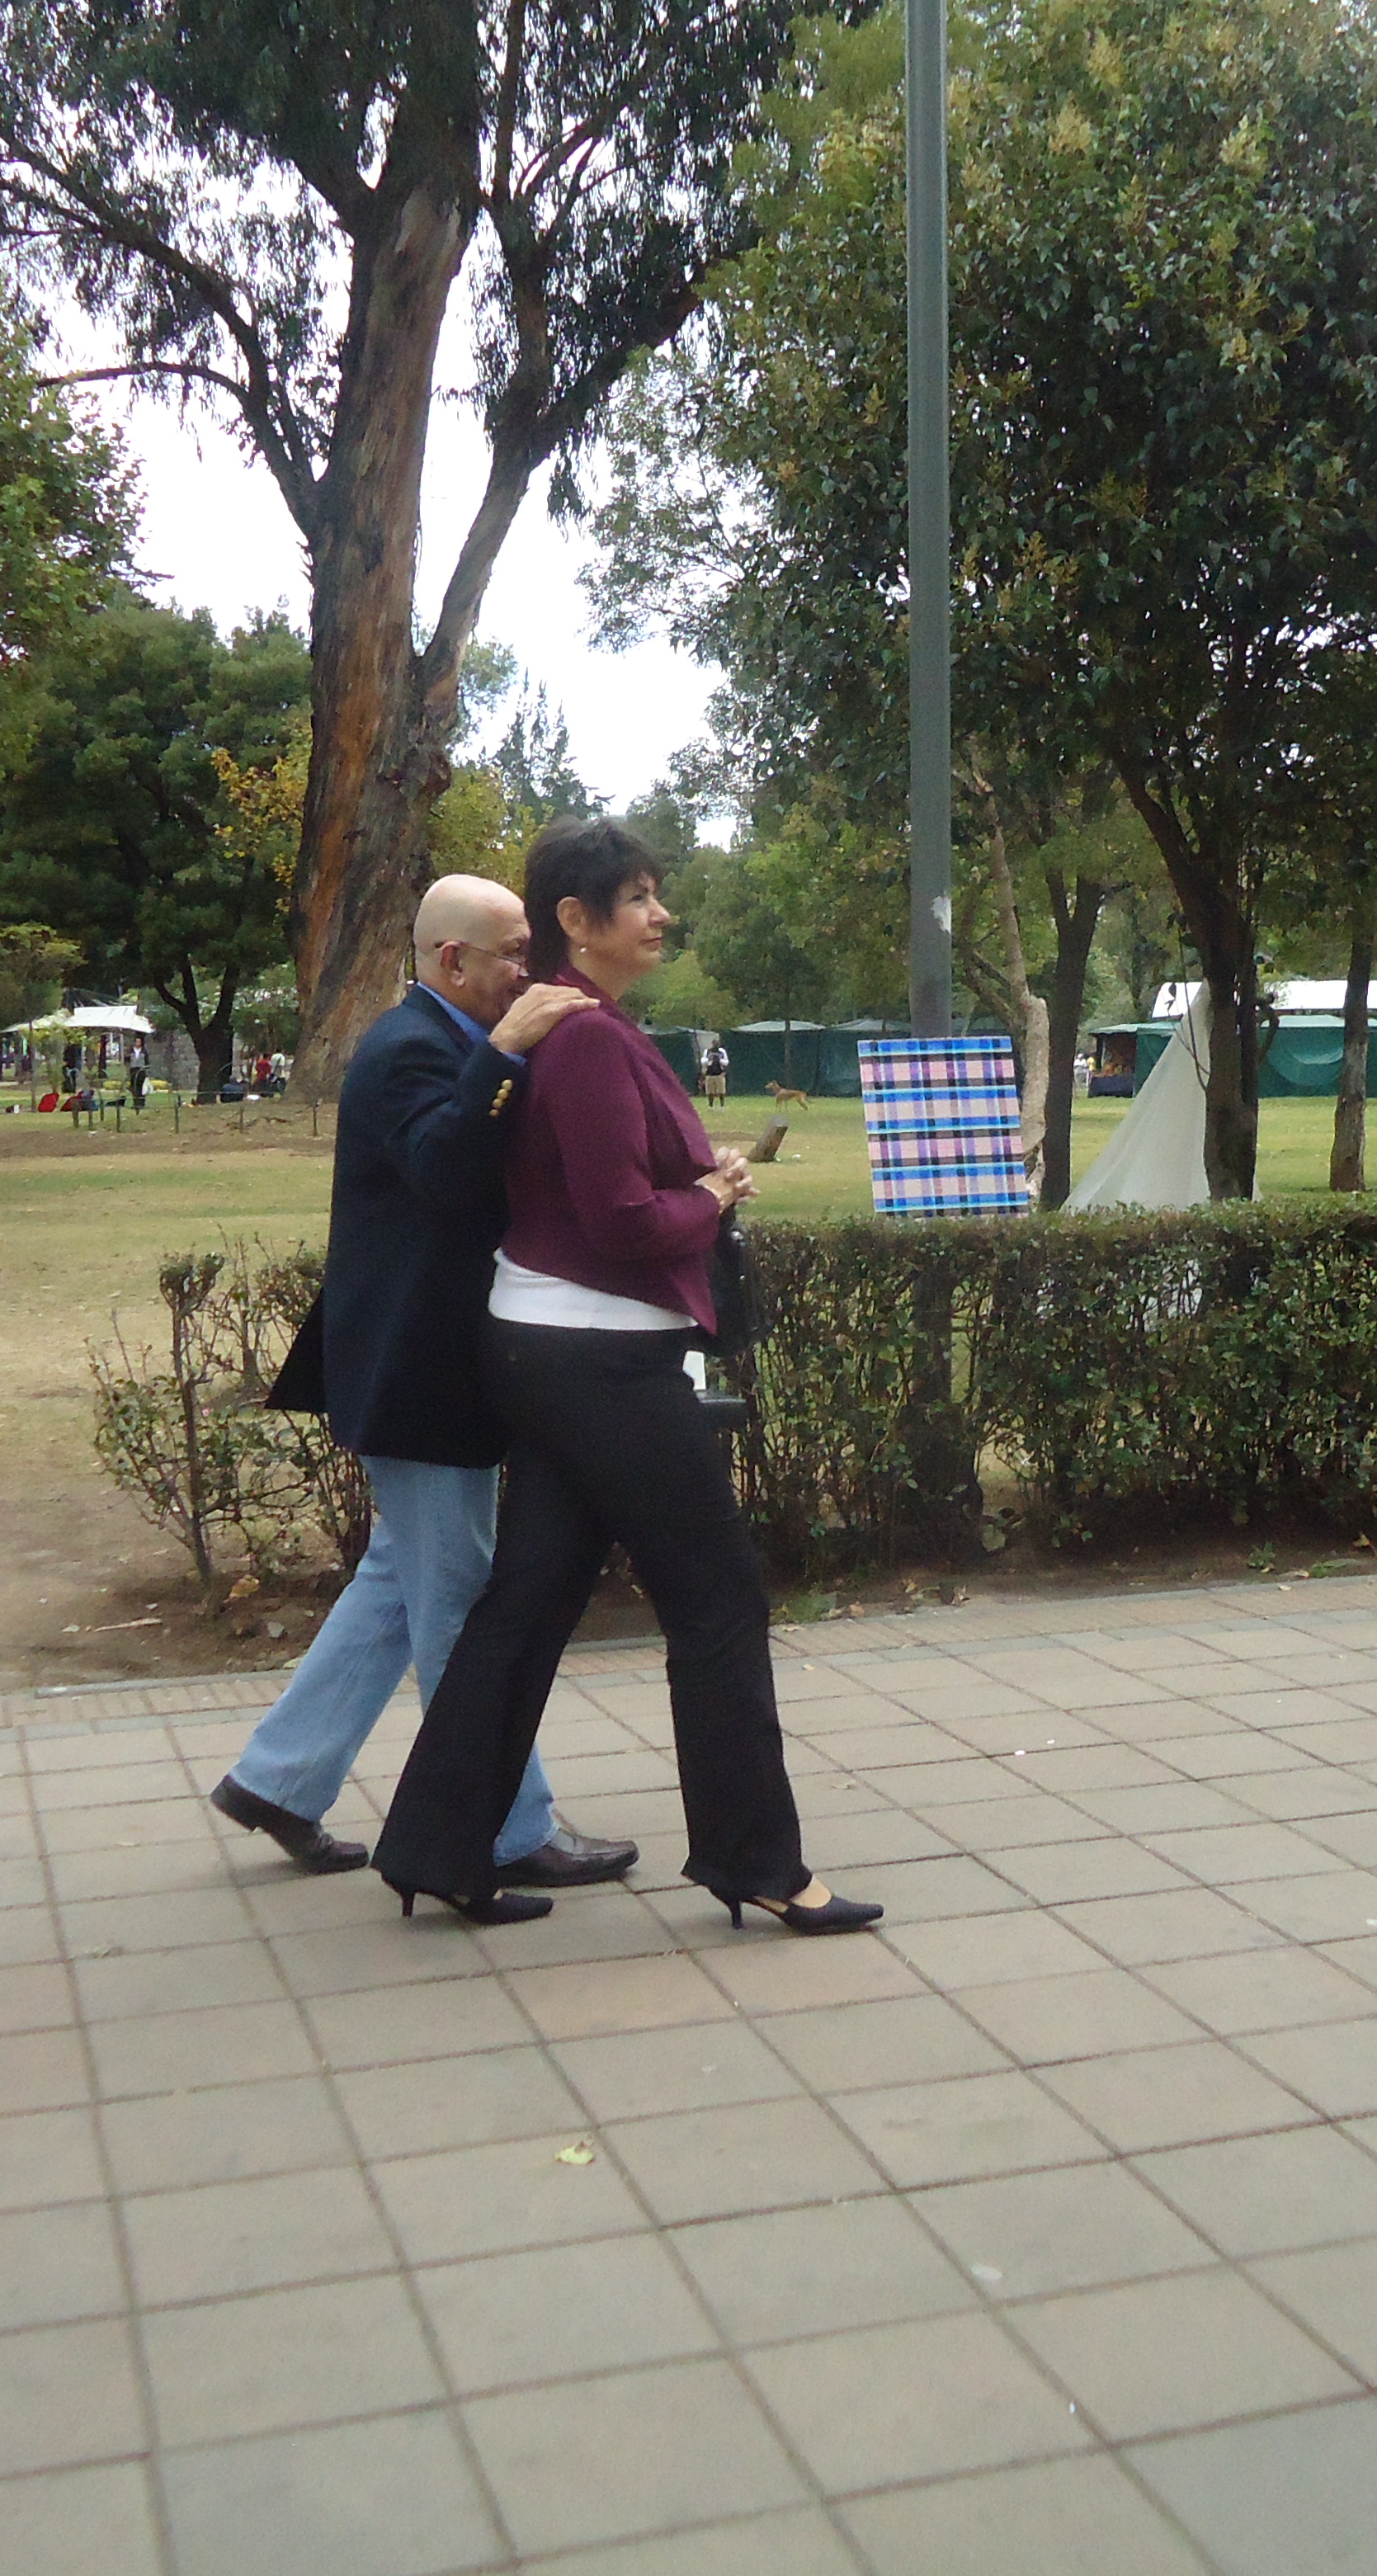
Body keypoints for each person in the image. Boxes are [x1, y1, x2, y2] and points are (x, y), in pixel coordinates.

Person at [370, 820, 879, 1936]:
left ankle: (434, 1846)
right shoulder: (588, 1037)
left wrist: (699, 1172)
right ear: (573, 921)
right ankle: (759, 1862)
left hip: (554, 1347)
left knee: (531, 1599)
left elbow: (598, 1184)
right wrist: (714, 1198)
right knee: (718, 1598)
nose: (660, 916)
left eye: (659, 895)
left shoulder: (575, 1025)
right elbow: (621, 1221)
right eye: (638, 897)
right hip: (597, 1356)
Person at [210, 875, 638, 1891]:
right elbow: (445, 1173)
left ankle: (279, 1779)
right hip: (417, 1381)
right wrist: (503, 1055)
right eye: (511, 954)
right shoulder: (408, 1051)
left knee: (403, 1584)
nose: (528, 971)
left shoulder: (448, 1044)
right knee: (464, 1607)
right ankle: (504, 1828)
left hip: (430, 1375)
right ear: (453, 961)